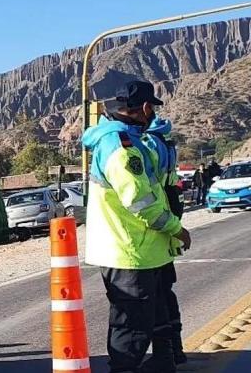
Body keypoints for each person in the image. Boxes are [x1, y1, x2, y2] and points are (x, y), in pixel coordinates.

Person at [82, 80, 192, 373]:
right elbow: (140, 202)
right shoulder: (120, 147)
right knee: (130, 328)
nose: (153, 114)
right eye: (151, 109)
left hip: (145, 250)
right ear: (144, 108)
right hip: (129, 251)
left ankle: (164, 363)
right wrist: (175, 228)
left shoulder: (134, 141)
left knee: (155, 319)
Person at [144, 114, 187, 365]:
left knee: (157, 294)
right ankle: (175, 349)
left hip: (158, 216)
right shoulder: (166, 142)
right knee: (166, 291)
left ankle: (165, 355)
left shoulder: (148, 144)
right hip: (171, 208)